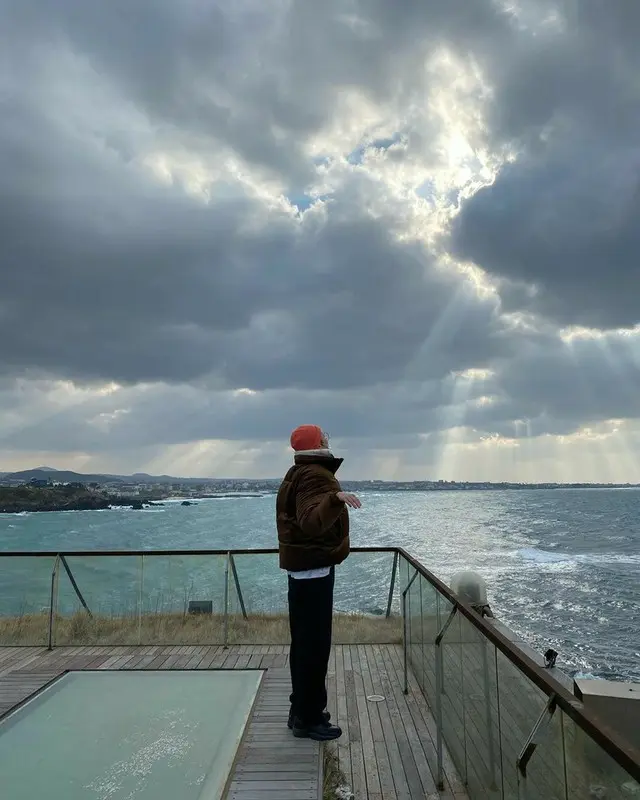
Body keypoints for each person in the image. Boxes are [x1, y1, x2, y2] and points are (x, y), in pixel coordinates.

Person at [276, 425, 361, 741]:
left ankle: (300, 709)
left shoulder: (298, 471)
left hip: (302, 570)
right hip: (313, 571)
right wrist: (335, 499)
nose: (327, 436)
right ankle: (309, 719)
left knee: (303, 645)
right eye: (323, 434)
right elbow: (311, 522)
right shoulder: (315, 473)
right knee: (314, 647)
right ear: (317, 442)